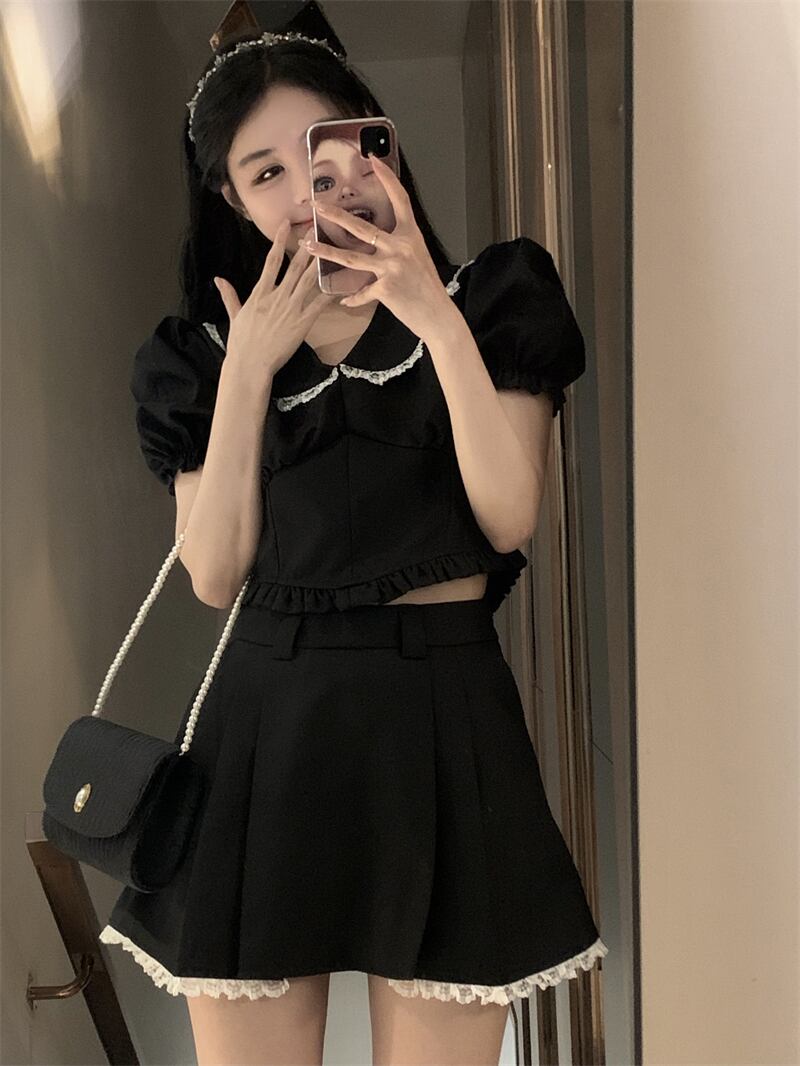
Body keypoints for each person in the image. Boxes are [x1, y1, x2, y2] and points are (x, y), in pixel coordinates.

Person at [98, 28, 608, 1066]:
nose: (306, 189)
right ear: (232, 200)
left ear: (378, 142)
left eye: (325, 147)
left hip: (443, 709)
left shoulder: (496, 298)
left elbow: (507, 516)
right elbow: (214, 573)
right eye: (265, 172)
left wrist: (432, 316)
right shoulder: (200, 354)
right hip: (266, 723)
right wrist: (249, 372)